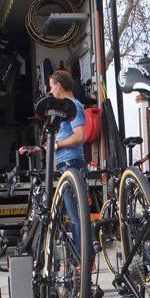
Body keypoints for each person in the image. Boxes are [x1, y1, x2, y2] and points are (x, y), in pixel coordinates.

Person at [48, 70, 88, 260]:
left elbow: (80, 136)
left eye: (51, 87)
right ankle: (78, 259)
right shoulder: (67, 108)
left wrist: (56, 144)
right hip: (66, 163)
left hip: (72, 163)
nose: (50, 92)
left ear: (59, 86)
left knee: (76, 216)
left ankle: (83, 260)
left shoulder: (74, 106)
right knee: (72, 216)